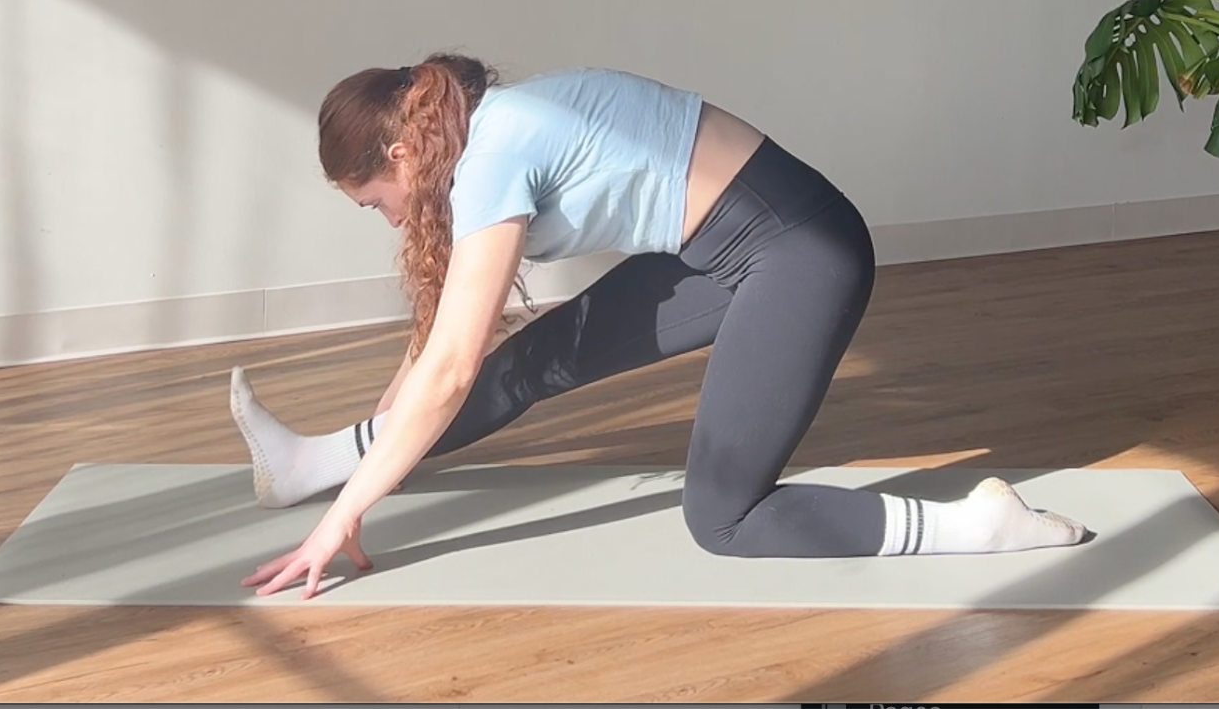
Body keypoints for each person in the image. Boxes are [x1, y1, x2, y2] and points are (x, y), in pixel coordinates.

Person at [234, 54, 1087, 598]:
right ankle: (309, 464)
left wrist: (345, 520)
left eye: (374, 202)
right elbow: (436, 348)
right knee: (526, 367)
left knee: (723, 519)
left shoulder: (494, 156)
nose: (388, 218)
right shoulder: (484, 130)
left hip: (800, 251)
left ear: (398, 156)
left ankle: (980, 526)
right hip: (720, 250)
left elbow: (451, 367)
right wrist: (359, 468)